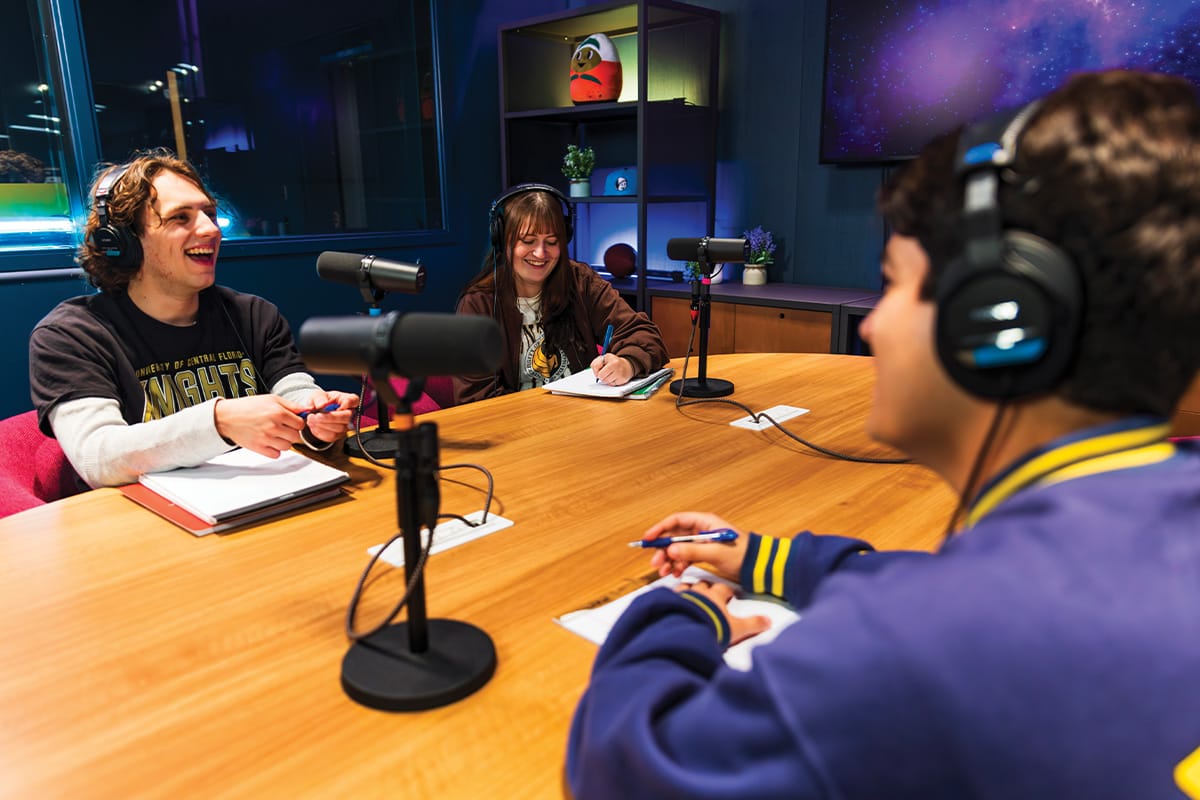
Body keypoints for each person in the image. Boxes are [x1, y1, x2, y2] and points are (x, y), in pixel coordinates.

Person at [567, 70, 1200, 799]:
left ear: (998, 319)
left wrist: (677, 612)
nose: (869, 324)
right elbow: (969, 596)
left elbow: (625, 766)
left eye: (892, 282)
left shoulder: (912, 645)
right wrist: (767, 560)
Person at [29, 149, 357, 488]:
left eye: (209, 214)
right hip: (141, 525)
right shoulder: (70, 335)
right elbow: (98, 457)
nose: (210, 229)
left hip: (256, 499)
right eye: (180, 218)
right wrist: (219, 422)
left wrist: (316, 419)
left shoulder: (254, 315)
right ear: (123, 242)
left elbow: (295, 392)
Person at [453, 184, 667, 404]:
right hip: (517, 427)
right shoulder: (478, 304)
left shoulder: (581, 281)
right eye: (528, 241)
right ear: (502, 240)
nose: (540, 253)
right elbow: (476, 398)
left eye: (552, 242)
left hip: (584, 419)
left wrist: (628, 363)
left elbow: (642, 332)